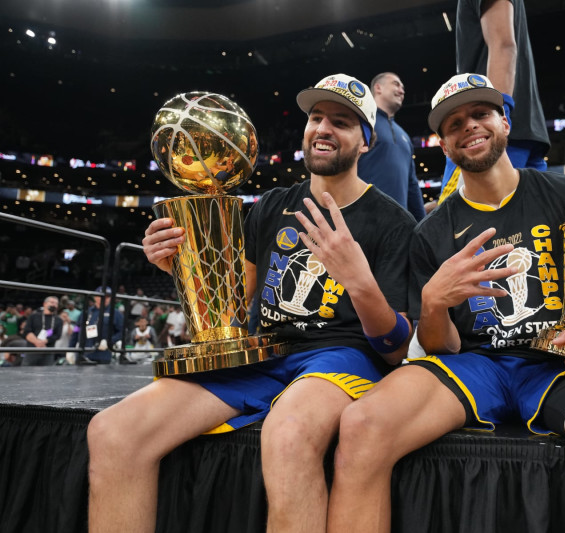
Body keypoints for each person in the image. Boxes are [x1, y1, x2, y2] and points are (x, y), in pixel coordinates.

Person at [327, 73, 565, 533]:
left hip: (564, 364)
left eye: (480, 114)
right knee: (362, 426)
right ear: (443, 144)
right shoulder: (429, 233)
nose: (469, 125)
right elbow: (440, 347)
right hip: (473, 366)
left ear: (505, 122)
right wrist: (433, 304)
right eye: (454, 123)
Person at [86, 73, 416, 533]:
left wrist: (359, 281)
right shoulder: (270, 205)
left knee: (288, 433)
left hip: (342, 356)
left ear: (366, 142)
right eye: (316, 117)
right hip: (262, 353)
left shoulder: (394, 222)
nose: (323, 128)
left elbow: (397, 349)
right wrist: (180, 268)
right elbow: (237, 303)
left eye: (341, 121)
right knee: (113, 433)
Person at [436, 0, 551, 206]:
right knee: (528, 228)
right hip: (526, 130)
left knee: (454, 227)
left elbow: (503, 46)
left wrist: (498, 113)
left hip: (487, 132)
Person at [357, 72, 426, 221]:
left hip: (398, 227)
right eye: (396, 84)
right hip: (362, 221)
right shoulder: (359, 124)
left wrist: (423, 225)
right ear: (378, 88)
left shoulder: (405, 136)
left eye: (403, 88)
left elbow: (412, 185)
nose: (402, 91)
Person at [71, 287, 125, 364]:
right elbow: (76, 330)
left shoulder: (115, 313)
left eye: (108, 296)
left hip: (102, 355)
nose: (105, 299)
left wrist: (109, 342)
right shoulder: (86, 311)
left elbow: (122, 333)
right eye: (102, 296)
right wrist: (70, 349)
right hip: (83, 354)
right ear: (95, 297)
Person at [21, 295, 64, 366]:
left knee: (46, 374)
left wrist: (45, 341)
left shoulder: (58, 320)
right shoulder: (33, 316)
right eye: (52, 302)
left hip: (47, 352)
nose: (54, 305)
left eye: (56, 303)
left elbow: (57, 335)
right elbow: (27, 331)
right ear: (45, 304)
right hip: (32, 351)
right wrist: (37, 342)